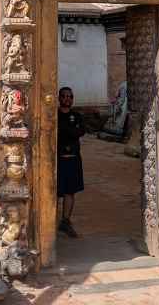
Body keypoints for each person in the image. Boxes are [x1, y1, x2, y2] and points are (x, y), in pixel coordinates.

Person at [57, 86, 85, 238]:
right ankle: (51, 222)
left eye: (70, 96)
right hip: (58, 159)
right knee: (54, 191)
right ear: (59, 98)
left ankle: (66, 221)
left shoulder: (77, 116)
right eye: (64, 96)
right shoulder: (54, 115)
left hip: (73, 159)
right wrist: (70, 131)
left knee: (70, 192)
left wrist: (65, 131)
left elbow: (80, 131)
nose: (67, 99)